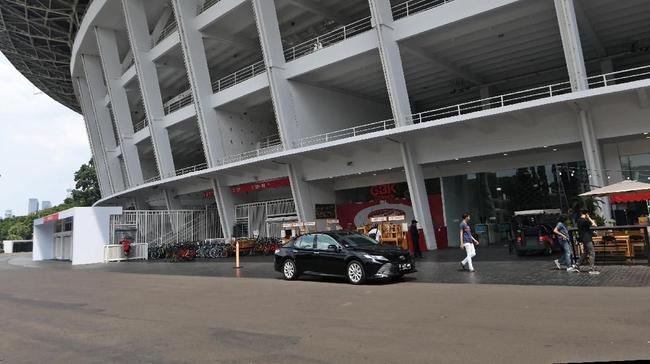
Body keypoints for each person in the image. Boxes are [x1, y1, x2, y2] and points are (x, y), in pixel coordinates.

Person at [577, 209, 599, 275]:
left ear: (581, 213)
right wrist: (589, 217)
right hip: (587, 238)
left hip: (583, 238)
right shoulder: (586, 220)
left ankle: (577, 264)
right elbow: (595, 225)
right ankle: (592, 269)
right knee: (592, 253)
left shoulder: (578, 220)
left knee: (586, 252)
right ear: (587, 213)